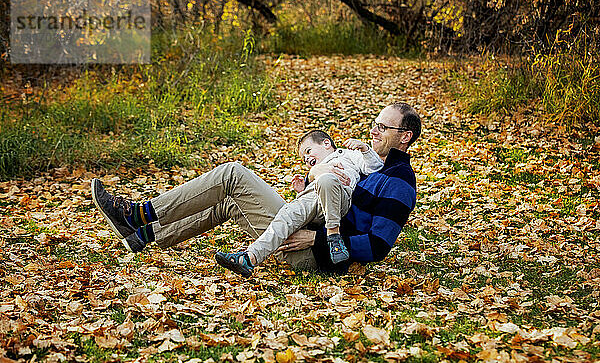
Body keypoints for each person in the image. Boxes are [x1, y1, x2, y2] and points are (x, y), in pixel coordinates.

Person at [90, 102, 421, 273]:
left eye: (383, 127)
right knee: (230, 203)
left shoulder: (399, 182)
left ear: (404, 136)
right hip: (307, 230)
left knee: (232, 174)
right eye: (374, 124)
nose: (374, 131)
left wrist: (316, 239)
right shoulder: (365, 161)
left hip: (314, 254)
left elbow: (378, 245)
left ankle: (141, 214)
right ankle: (144, 236)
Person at [215, 130, 383, 277]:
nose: (307, 158)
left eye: (309, 151)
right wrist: (302, 191)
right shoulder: (313, 173)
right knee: (286, 216)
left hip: (338, 197)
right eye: (304, 158)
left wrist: (365, 149)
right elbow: (310, 208)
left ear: (326, 144)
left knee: (327, 179)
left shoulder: (345, 155)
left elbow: (374, 167)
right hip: (313, 198)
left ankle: (334, 235)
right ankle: (249, 257)